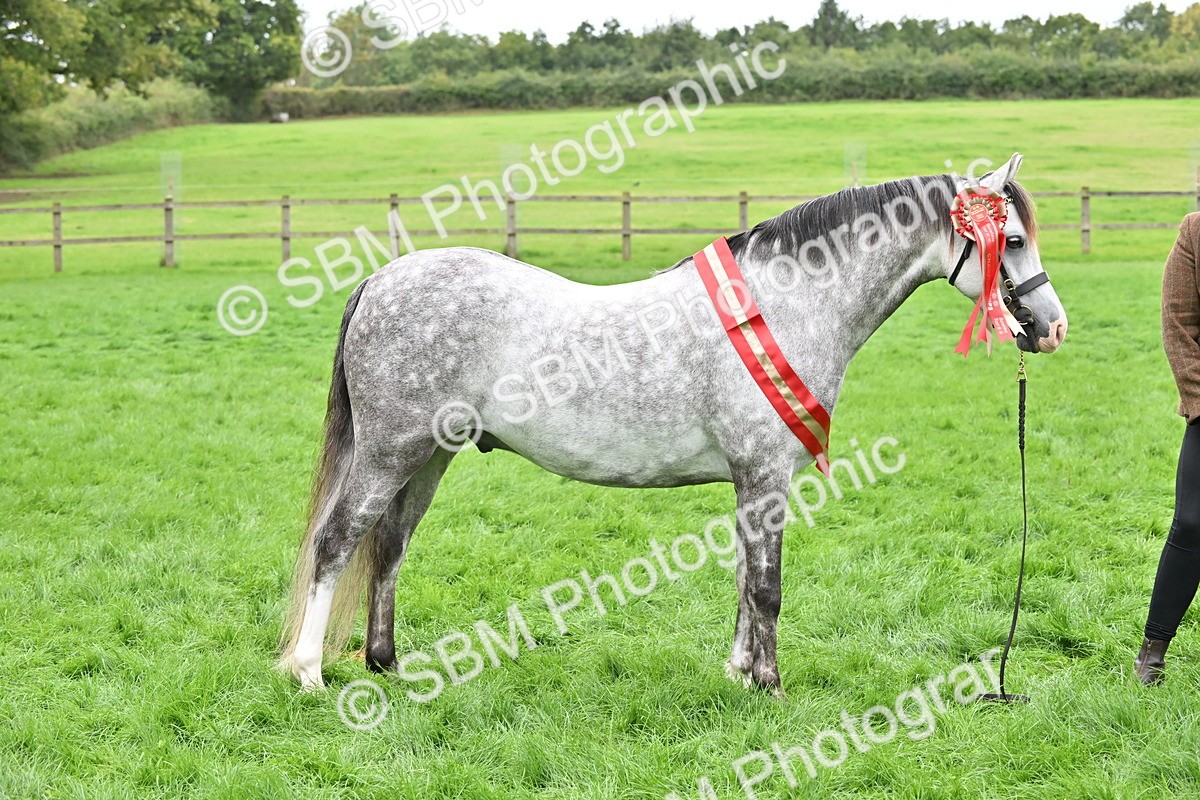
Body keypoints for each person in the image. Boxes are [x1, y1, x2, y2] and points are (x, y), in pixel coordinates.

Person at [1139, 211, 1200, 684]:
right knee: (1193, 521)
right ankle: (1152, 652)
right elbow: (1178, 321)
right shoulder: (1194, 231)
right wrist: (1198, 398)